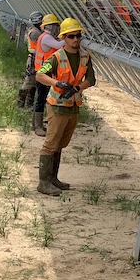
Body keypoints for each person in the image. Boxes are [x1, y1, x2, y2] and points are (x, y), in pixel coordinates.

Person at [35, 17, 96, 196]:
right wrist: (57, 83)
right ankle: (43, 182)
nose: (75, 40)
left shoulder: (85, 56)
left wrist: (77, 88)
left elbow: (91, 79)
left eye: (78, 36)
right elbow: (40, 75)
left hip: (73, 105)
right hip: (57, 106)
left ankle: (53, 178)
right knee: (50, 144)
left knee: (61, 144)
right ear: (64, 38)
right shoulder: (57, 56)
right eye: (71, 36)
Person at [32, 13, 65, 136]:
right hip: (43, 73)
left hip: (44, 72)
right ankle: (38, 126)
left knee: (42, 97)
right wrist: (68, 37)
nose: (57, 28)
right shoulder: (46, 38)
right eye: (56, 25)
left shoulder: (47, 37)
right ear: (49, 26)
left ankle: (36, 124)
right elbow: (58, 45)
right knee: (42, 98)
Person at [17, 11, 43, 109]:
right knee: (29, 81)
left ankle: (29, 104)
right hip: (34, 59)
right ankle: (21, 103)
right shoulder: (36, 33)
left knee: (34, 82)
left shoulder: (35, 30)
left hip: (36, 59)